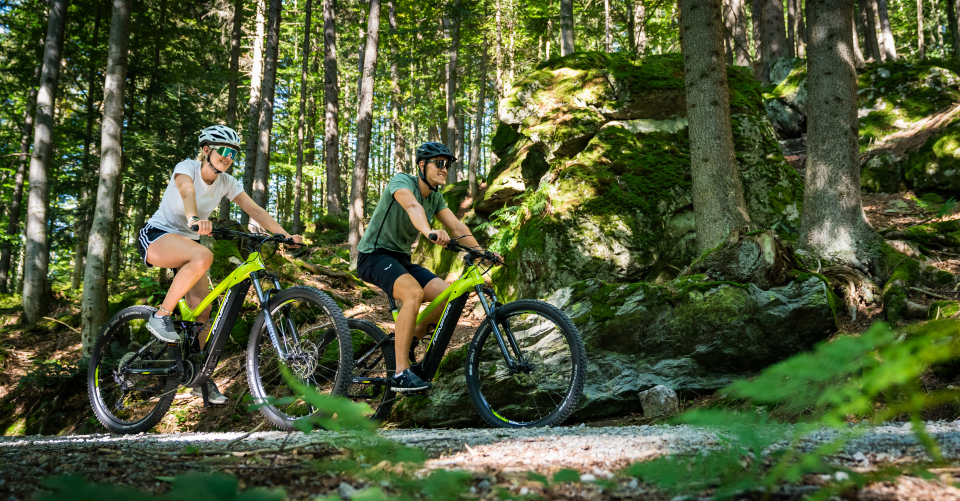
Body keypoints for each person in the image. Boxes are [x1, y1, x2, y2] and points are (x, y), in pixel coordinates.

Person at [136, 125, 303, 404]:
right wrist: (193, 219)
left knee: (203, 310)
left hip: (189, 244)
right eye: (223, 151)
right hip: (158, 236)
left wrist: (284, 236)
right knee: (203, 255)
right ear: (206, 151)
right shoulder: (186, 167)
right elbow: (187, 191)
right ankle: (161, 315)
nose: (228, 157)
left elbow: (254, 209)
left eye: (233, 153)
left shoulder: (226, 182)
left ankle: (198, 378)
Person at [356, 142, 502, 393]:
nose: (445, 169)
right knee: (413, 293)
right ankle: (401, 372)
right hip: (374, 255)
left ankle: (411, 336)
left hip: (401, 259)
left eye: (448, 165)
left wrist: (481, 252)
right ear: (422, 165)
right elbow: (412, 206)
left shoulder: (435, 197)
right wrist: (428, 231)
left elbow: (457, 227)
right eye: (440, 163)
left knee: (448, 296)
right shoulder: (402, 182)